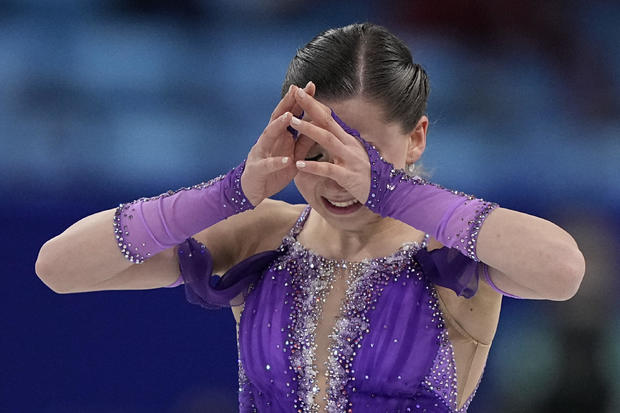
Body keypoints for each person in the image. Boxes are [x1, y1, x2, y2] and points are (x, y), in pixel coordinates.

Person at [35, 23, 585, 412]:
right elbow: (59, 268)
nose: (337, 178)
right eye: (316, 153)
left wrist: (394, 194)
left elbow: (562, 270)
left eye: (360, 157)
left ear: (416, 137)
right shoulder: (261, 235)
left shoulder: (449, 250)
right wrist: (228, 194)